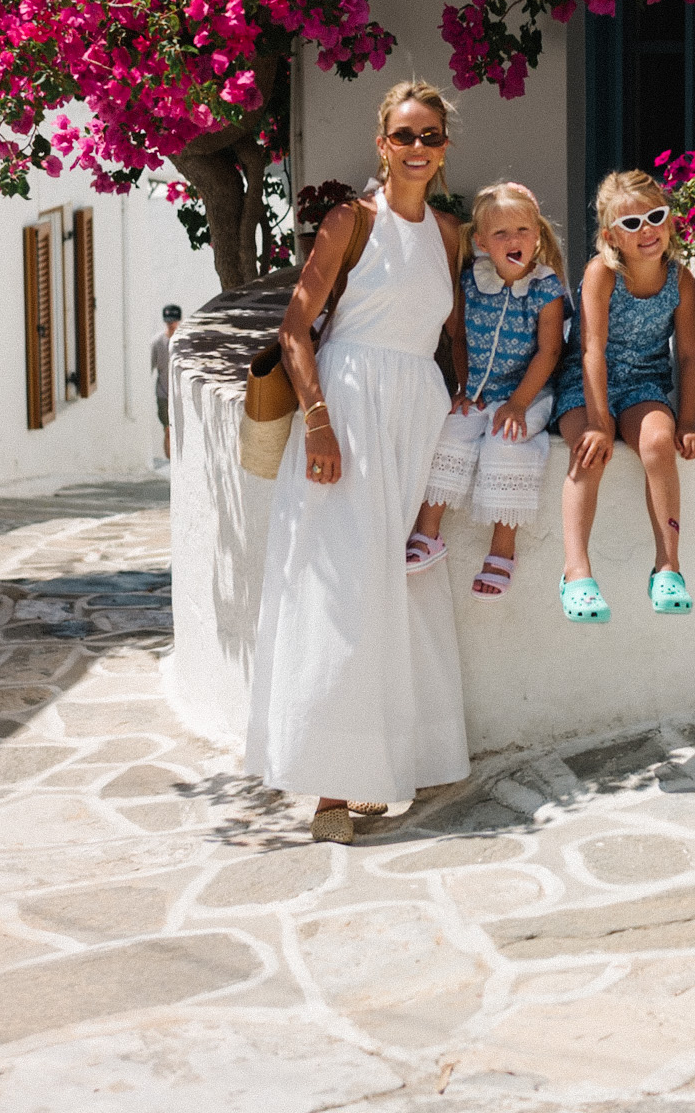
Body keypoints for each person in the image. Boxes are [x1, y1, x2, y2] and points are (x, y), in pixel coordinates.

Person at [245, 80, 470, 844]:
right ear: (382, 144)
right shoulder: (353, 219)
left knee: (402, 583)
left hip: (417, 413)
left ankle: (399, 762)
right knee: (339, 587)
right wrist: (318, 422)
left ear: (444, 148)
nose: (417, 148)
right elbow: (294, 328)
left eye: (430, 136)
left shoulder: (449, 233)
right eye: (404, 135)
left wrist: (473, 405)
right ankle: (332, 790)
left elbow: (457, 334)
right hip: (346, 404)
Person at [553, 168, 695, 623]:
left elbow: (691, 358)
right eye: (632, 224)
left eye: (656, 217)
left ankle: (668, 567)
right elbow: (591, 351)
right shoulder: (602, 273)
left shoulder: (680, 281)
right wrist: (599, 423)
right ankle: (576, 572)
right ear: (611, 236)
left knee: (659, 445)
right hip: (585, 385)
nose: (647, 231)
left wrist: (689, 421)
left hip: (643, 385)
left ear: (671, 220)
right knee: (588, 452)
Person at [406, 182, 566, 598]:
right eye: (500, 234)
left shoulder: (546, 289)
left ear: (538, 235)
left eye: (522, 231)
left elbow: (549, 352)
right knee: (450, 431)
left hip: (527, 393)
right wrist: (464, 385)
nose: (513, 240)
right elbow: (458, 337)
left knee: (505, 442)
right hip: (480, 388)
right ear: (481, 243)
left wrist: (517, 404)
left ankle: (503, 549)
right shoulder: (472, 282)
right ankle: (428, 533)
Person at [150, 304, 182, 459]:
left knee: (179, 430)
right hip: (163, 393)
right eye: (168, 320)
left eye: (173, 320)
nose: (171, 323)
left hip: (181, 394)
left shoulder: (183, 342)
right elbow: (150, 366)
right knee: (168, 430)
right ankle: (171, 462)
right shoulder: (157, 342)